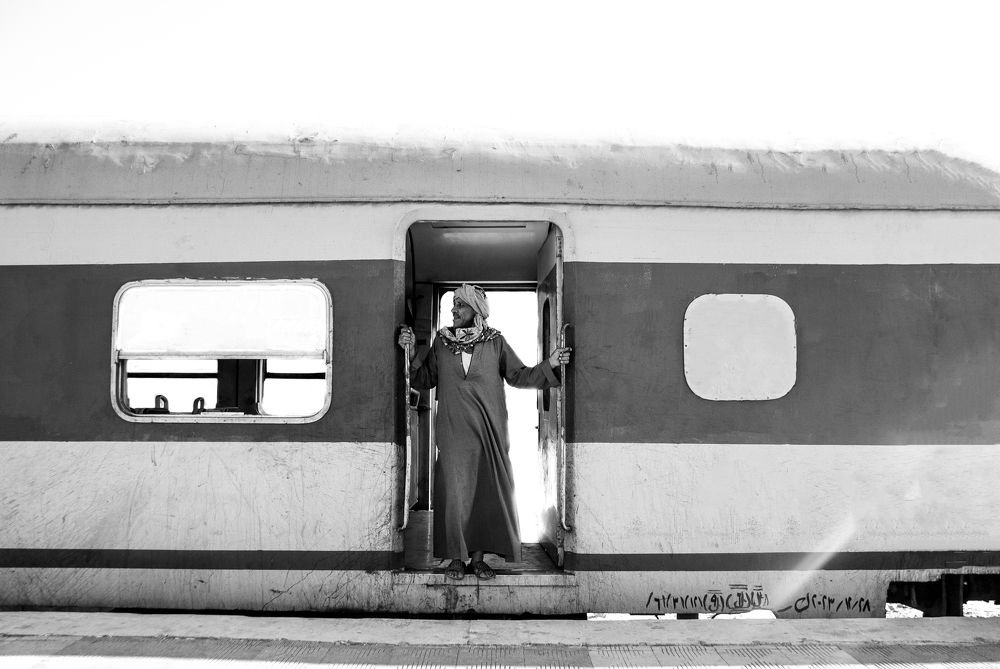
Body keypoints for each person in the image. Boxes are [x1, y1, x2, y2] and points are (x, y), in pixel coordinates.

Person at [397, 284, 571, 580]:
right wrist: (411, 350)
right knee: (453, 493)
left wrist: (551, 363)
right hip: (452, 433)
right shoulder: (442, 342)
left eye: (460, 306)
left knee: (483, 494)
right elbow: (423, 378)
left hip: (489, 431)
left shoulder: (495, 342)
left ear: (476, 311)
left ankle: (477, 559)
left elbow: (520, 376)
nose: (454, 310)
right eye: (453, 304)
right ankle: (455, 558)